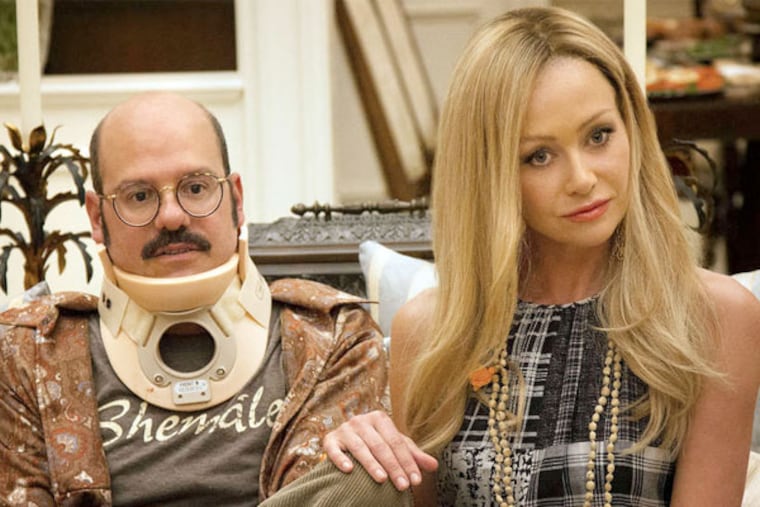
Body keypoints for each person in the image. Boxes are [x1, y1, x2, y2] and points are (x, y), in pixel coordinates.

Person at [323, 6, 760, 506]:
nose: (582, 179)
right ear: (491, 174)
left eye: (599, 135)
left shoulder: (714, 319)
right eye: (539, 156)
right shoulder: (429, 332)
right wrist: (360, 464)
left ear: (633, 129)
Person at [0, 92, 390, 506]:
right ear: (97, 218)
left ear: (236, 199)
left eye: (196, 187)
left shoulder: (334, 338)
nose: (172, 216)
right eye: (139, 196)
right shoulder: (28, 354)